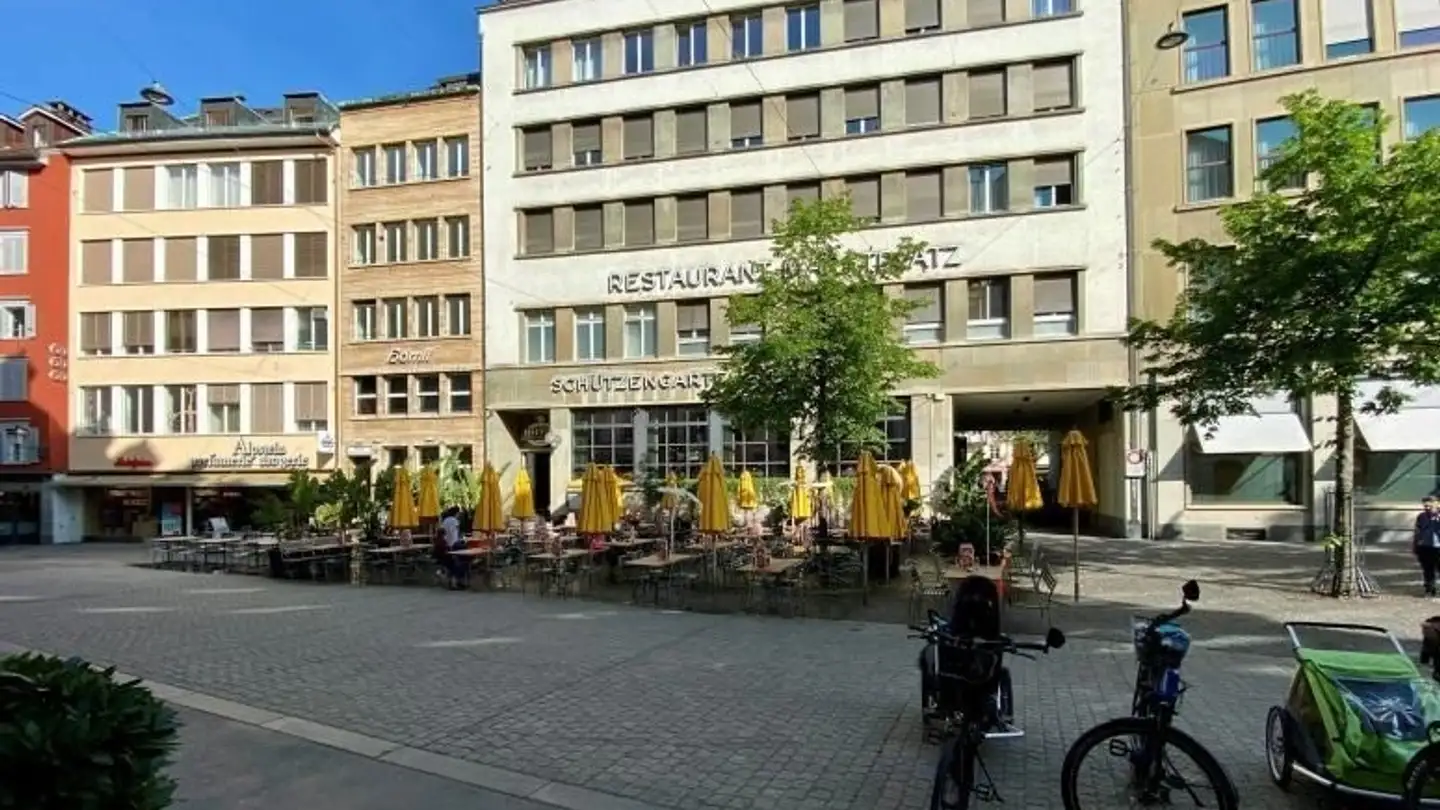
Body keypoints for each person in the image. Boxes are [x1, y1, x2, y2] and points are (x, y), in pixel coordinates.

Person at [1414, 497, 1440, 596]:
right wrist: (1416, 546)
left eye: (1430, 506)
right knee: (1428, 570)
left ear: (1437, 504)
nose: (1427, 508)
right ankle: (1430, 589)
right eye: (1425, 506)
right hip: (1425, 547)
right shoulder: (1421, 516)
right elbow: (1417, 531)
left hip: (1438, 547)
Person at [440, 506, 468, 590]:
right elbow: (457, 532)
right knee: (460, 562)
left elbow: (444, 531)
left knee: (453, 563)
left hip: (446, 544)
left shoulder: (445, 520)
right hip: (454, 544)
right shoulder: (455, 521)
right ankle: (457, 582)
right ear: (456, 513)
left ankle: (453, 581)